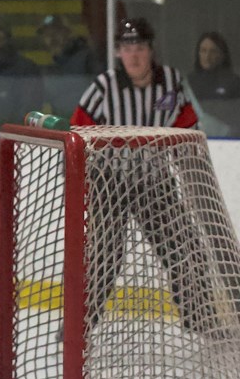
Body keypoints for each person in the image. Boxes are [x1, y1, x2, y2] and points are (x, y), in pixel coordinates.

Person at [71, 18, 216, 335]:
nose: (133, 55)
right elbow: (77, 135)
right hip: (110, 182)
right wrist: (86, 185)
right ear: (118, 53)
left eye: (139, 48)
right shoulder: (103, 88)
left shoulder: (171, 84)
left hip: (155, 182)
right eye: (126, 49)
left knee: (185, 246)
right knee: (105, 257)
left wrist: (189, 167)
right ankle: (78, 325)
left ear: (151, 50)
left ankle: (201, 318)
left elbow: (186, 127)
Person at [36, 14, 103, 118]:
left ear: (68, 33)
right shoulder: (51, 69)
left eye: (57, 32)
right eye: (47, 35)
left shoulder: (87, 58)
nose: (52, 38)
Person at [187, 31, 240, 136]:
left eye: (213, 51)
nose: (207, 56)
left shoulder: (235, 83)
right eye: (203, 51)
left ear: (222, 54)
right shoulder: (189, 83)